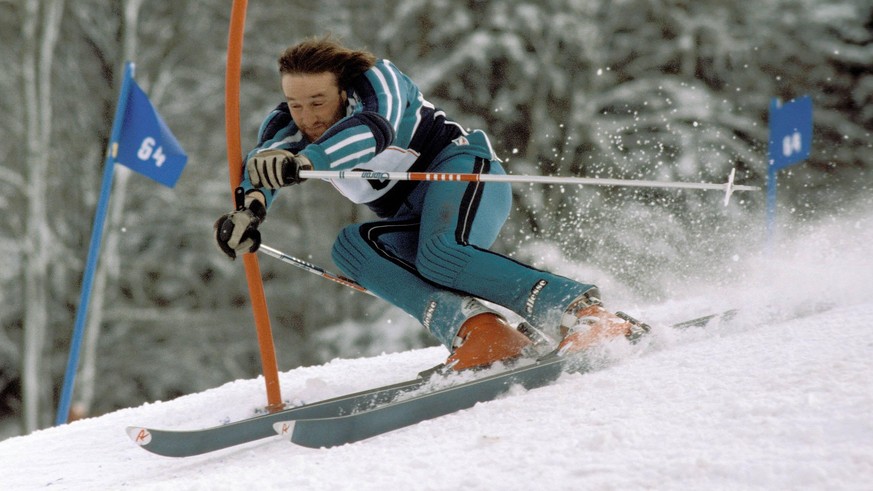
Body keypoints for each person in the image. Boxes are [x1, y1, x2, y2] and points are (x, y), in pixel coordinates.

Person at [214, 35, 632, 370]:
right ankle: (482, 331)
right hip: (409, 213)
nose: (307, 117)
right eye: (295, 104)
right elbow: (261, 166)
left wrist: (305, 160)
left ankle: (583, 312)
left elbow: (372, 130)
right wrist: (248, 212)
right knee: (350, 246)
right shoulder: (290, 126)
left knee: (440, 254)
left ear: (342, 89)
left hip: (462, 172)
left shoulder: (380, 84)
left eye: (318, 102)